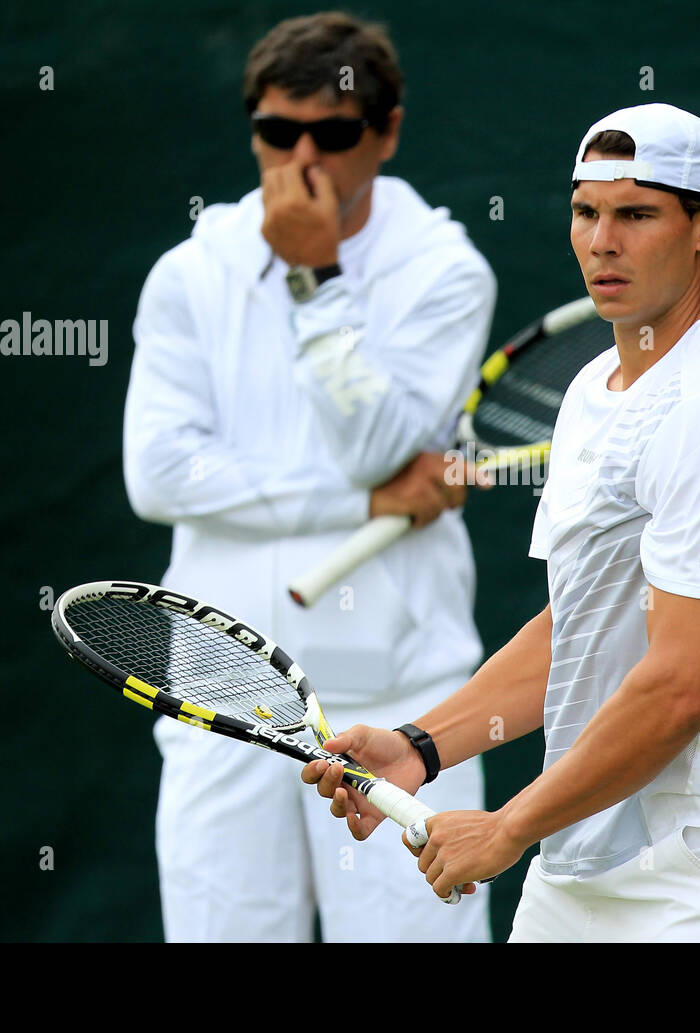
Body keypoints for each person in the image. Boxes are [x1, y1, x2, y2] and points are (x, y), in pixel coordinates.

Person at [304, 103, 700, 942]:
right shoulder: (590, 393)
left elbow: (682, 687)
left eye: (636, 215)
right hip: (582, 864)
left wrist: (509, 825)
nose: (601, 241)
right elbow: (578, 625)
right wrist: (421, 745)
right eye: (586, 212)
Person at [123, 11, 494, 943]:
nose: (301, 158)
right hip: (219, 690)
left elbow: (373, 440)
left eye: (331, 134)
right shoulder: (188, 273)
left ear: (388, 131)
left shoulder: (448, 272)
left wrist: (315, 276)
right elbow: (160, 473)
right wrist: (362, 502)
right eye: (275, 132)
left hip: (400, 690)